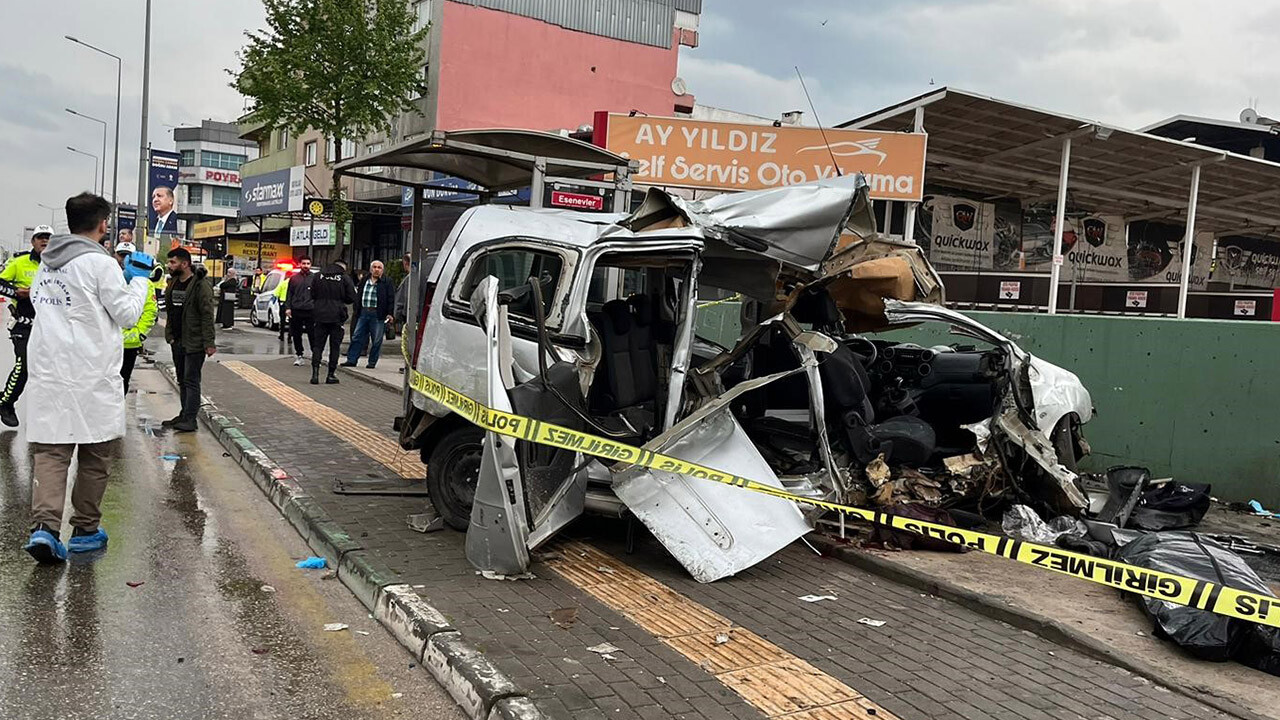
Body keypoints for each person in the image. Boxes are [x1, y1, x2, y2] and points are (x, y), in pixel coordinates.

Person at [21, 193, 156, 563]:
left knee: (51, 451)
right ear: (102, 224)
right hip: (91, 373)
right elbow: (127, 315)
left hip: (51, 372)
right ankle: (84, 530)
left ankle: (45, 529)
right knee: (95, 454)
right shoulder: (101, 264)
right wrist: (140, 281)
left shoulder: (48, 264)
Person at [0, 224, 51, 427]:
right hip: (24, 326)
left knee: (48, 371)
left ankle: (43, 414)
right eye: (40, 237)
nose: (44, 241)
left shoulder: (59, 265)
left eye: (48, 237)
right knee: (25, 364)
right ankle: (6, 403)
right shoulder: (19, 262)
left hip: (49, 328)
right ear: (33, 241)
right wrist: (18, 292)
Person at [162, 248, 216, 433]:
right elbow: (170, 311)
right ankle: (184, 414)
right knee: (182, 380)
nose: (169, 266)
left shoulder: (200, 285)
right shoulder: (174, 282)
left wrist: (209, 342)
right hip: (177, 340)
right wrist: (169, 335)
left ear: (185, 264)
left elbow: (207, 315)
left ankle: (191, 419)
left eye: (173, 262)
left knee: (191, 380)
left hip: (194, 340)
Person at [114, 242, 159, 393]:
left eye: (128, 256)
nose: (123, 259)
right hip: (108, 341)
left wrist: (139, 334)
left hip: (129, 343)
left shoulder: (144, 283)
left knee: (123, 382)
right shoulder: (107, 276)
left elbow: (150, 311)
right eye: (121, 254)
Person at [310, 257, 355, 385]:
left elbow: (312, 293)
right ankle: (331, 375)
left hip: (320, 315)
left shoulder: (318, 276)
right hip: (337, 316)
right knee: (334, 347)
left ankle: (315, 374)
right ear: (343, 267)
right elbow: (351, 297)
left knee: (318, 346)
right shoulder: (344, 278)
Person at [342, 260, 394, 369]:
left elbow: (390, 298)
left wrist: (389, 313)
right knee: (357, 337)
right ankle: (351, 360)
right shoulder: (364, 280)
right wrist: (357, 309)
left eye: (379, 267)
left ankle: (372, 362)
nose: (376, 269)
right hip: (363, 312)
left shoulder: (386, 281)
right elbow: (358, 295)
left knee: (376, 340)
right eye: (374, 267)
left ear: (382, 270)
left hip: (378, 314)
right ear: (371, 269)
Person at [283, 257, 316, 364]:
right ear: (300, 264)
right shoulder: (294, 278)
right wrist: (288, 308)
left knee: (313, 334)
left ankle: (315, 356)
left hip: (311, 310)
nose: (306, 265)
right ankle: (299, 355)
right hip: (296, 309)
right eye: (303, 263)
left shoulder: (315, 278)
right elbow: (289, 294)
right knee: (296, 334)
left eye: (308, 263)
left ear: (311, 264)